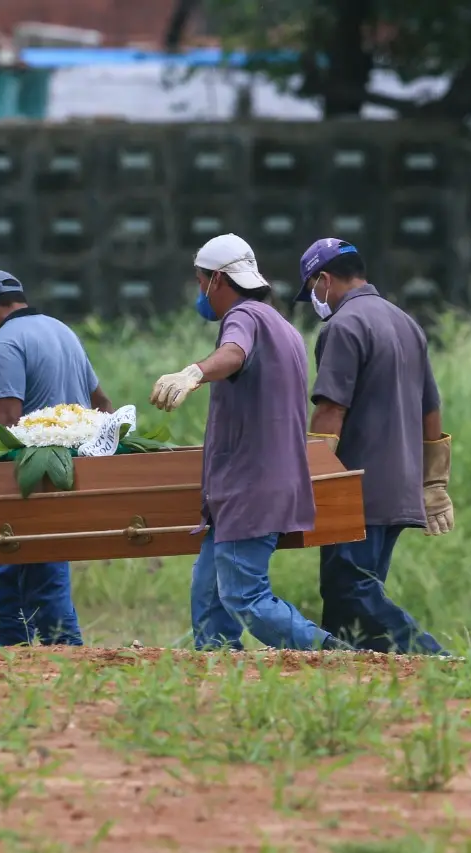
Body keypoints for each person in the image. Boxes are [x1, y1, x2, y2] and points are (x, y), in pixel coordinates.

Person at [150, 234, 346, 652]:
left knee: (244, 596)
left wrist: (194, 373)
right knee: (209, 592)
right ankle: (217, 666)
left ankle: (331, 654)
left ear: (217, 279)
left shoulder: (244, 317)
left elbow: (234, 353)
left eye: (200, 281)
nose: (200, 292)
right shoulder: (282, 325)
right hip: (257, 484)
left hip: (249, 485)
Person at [296, 237, 452, 655]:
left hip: (357, 487)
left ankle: (433, 657)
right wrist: (434, 482)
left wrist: (313, 477)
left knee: (350, 587)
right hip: (400, 485)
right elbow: (431, 410)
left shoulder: (344, 326)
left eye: (312, 289)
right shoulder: (406, 324)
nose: (315, 299)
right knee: (349, 601)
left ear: (324, 279)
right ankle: (346, 672)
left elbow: (331, 409)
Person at [0, 270, 114, 647]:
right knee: (16, 567)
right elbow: (104, 405)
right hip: (74, 470)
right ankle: (11, 644)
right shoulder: (63, 332)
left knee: (42, 569)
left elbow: (8, 421)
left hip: (33, 475)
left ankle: (65, 650)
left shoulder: (4, 343)